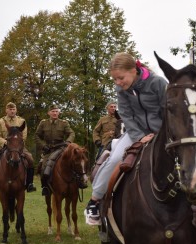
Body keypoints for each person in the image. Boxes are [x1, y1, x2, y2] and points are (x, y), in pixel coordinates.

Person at [84, 52, 167, 225]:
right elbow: (127, 116)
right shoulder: (121, 90)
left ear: (133, 70)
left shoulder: (158, 83)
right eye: (115, 80)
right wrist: (141, 137)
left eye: (120, 78)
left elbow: (168, 111)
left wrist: (160, 134)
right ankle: (95, 200)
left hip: (162, 132)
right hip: (135, 132)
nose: (118, 83)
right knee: (115, 158)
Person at [0, 102, 36, 193]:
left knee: (30, 159)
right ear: (6, 110)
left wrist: (15, 144)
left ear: (16, 110)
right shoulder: (1, 121)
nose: (12, 111)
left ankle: (30, 184)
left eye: (13, 109)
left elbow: (24, 136)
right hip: (3, 146)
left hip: (18, 146)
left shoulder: (21, 121)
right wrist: (5, 143)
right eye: (10, 109)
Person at [35, 104, 77, 196]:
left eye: (56, 111)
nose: (55, 113)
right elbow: (37, 135)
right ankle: (45, 187)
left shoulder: (64, 123)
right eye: (53, 111)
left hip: (61, 148)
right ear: (49, 113)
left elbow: (71, 133)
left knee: (74, 163)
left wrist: (68, 142)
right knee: (43, 167)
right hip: (48, 150)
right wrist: (43, 146)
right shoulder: (43, 123)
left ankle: (79, 183)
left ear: (59, 112)